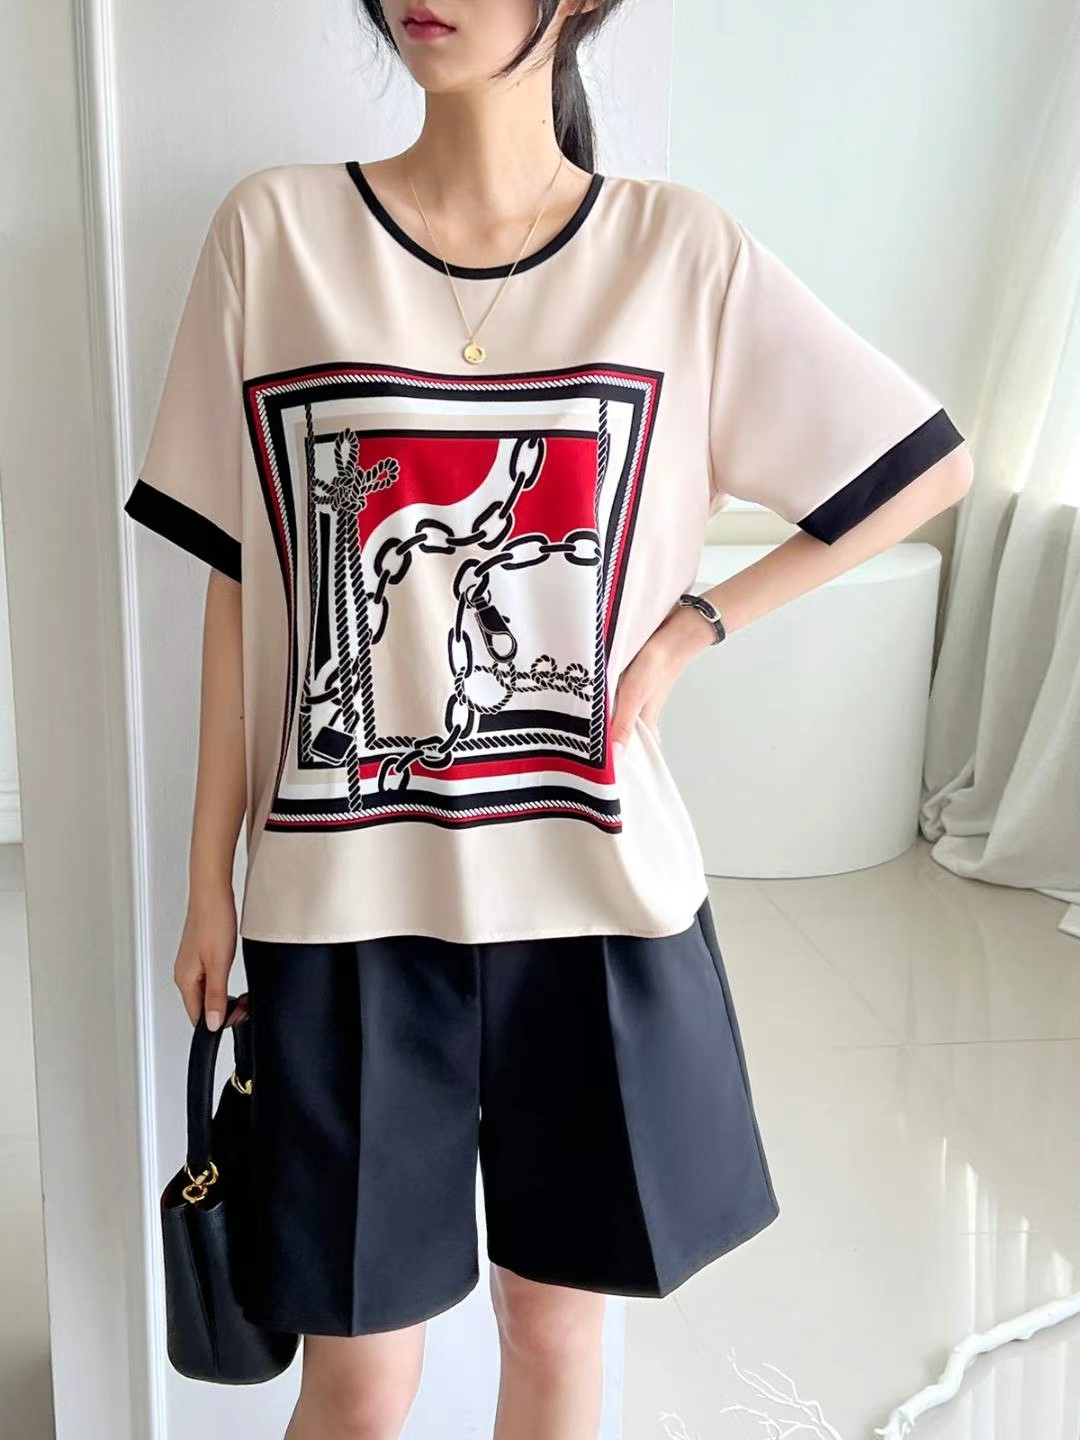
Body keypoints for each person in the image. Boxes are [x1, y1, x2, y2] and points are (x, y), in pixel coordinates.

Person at [122, 1, 974, 1435]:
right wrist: (210, 876)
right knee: (360, 1374)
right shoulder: (275, 235)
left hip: (591, 898)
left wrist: (695, 628)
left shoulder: (676, 252)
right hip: (345, 909)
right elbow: (240, 583)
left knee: (557, 1333)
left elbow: (921, 467)